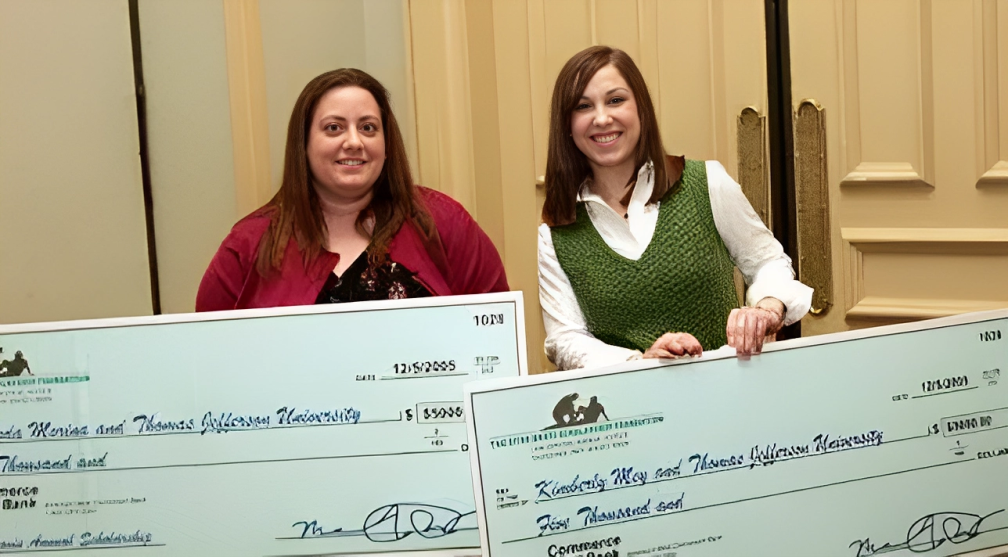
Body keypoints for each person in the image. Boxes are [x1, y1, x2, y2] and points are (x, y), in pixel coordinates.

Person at [539, 46, 812, 371]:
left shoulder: (706, 182)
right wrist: (641, 361)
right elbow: (565, 339)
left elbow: (768, 261)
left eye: (615, 100)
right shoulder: (556, 232)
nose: (602, 118)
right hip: (631, 412)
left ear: (641, 109)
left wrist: (766, 309)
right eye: (583, 106)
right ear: (567, 125)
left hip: (730, 397)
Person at [197, 69, 508, 311]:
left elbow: (498, 330)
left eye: (368, 127)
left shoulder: (443, 221)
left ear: (387, 145)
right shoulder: (249, 245)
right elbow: (205, 355)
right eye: (334, 128)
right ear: (303, 144)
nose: (354, 142)